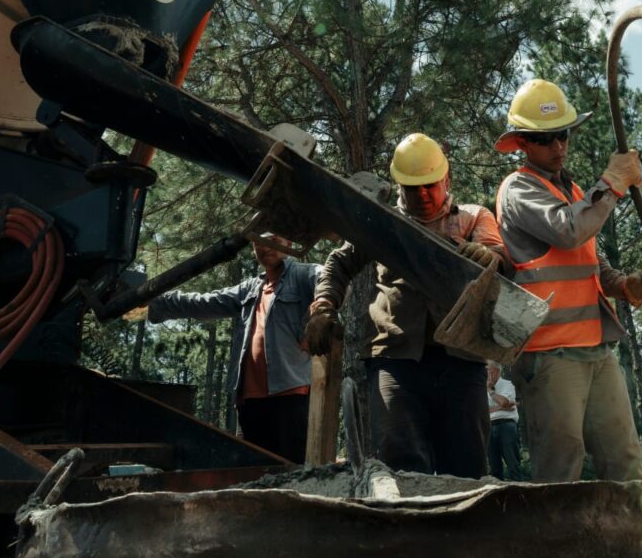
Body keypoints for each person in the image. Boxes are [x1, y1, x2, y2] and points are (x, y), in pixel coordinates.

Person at [494, 78, 642, 483]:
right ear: (521, 143)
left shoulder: (570, 189)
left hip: (596, 351)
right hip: (550, 355)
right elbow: (568, 230)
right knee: (561, 472)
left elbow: (587, 259)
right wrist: (611, 185)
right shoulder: (518, 189)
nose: (558, 147)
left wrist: (627, 285)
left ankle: (634, 545)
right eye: (545, 139)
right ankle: (561, 547)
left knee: (625, 461)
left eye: (563, 136)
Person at [304, 133, 504, 478]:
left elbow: (500, 257)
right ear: (399, 186)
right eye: (413, 188)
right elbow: (339, 263)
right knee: (400, 464)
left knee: (467, 467)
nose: (423, 195)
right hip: (396, 361)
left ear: (447, 178)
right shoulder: (380, 222)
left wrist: (487, 256)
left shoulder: (473, 218)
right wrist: (323, 306)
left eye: (430, 185)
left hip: (461, 361)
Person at [146, 236, 320, 463]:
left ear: (288, 243)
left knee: (290, 471)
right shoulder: (250, 289)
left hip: (289, 397)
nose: (266, 246)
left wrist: (322, 309)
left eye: (274, 240)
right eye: (259, 242)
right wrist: (149, 301)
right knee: (256, 474)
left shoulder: (303, 275)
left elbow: (330, 279)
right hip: (249, 402)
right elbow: (202, 302)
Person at [486, 361, 524, 481]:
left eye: (489, 370)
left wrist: (491, 392)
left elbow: (504, 402)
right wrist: (503, 406)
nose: (487, 373)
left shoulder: (508, 384)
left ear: (497, 371)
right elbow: (482, 410)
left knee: (513, 463)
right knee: (494, 467)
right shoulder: (482, 387)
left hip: (507, 425)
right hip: (489, 427)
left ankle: (519, 493)